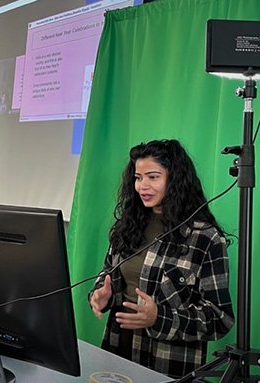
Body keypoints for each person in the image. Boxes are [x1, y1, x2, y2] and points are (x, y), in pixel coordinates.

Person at [89, 139, 234, 378]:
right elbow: (107, 274)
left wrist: (159, 318)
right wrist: (100, 295)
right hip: (118, 352)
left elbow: (220, 319)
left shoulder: (205, 238)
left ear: (175, 180)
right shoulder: (127, 226)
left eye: (153, 177)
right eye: (138, 177)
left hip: (166, 364)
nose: (142, 186)